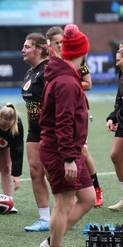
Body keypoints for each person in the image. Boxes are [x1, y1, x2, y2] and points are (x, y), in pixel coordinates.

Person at [39, 24, 95, 247]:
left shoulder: (65, 75)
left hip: (68, 149)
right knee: (63, 204)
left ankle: (50, 242)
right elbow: (63, 123)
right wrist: (69, 159)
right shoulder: (67, 81)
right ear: (83, 51)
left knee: (88, 198)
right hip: (62, 151)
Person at [46, 26, 104, 208]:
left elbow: (88, 84)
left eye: (62, 42)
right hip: (57, 120)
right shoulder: (52, 64)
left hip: (75, 111)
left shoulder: (75, 63)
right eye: (57, 43)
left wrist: (73, 85)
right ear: (50, 44)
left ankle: (96, 189)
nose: (60, 45)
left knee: (82, 152)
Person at [21, 32, 50, 232]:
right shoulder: (31, 72)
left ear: (39, 49)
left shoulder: (49, 70)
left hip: (50, 129)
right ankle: (45, 218)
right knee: (35, 172)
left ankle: (66, 212)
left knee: (53, 172)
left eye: (27, 46)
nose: (23, 50)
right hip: (34, 130)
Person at [106, 47, 123, 211]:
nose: (116, 63)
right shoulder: (121, 74)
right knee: (116, 155)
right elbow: (119, 100)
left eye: (119, 58)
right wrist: (113, 117)